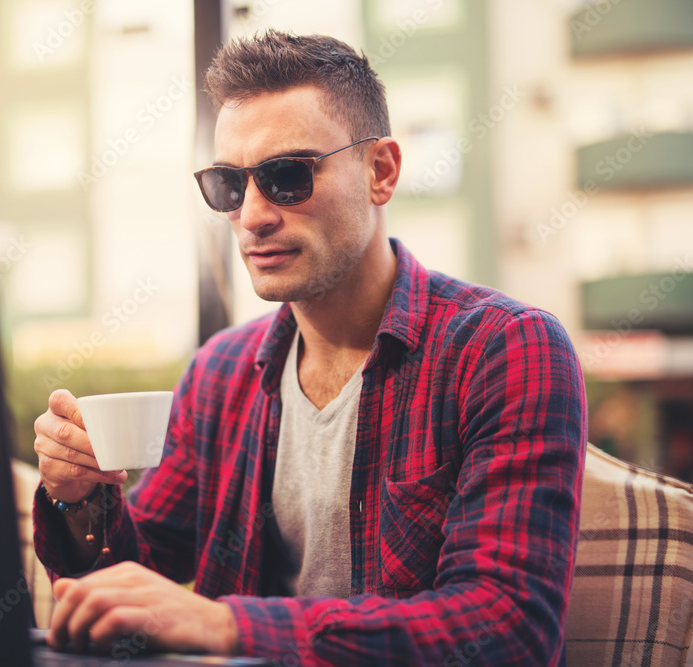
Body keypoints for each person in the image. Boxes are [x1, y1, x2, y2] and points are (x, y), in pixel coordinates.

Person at [33, 30, 587, 665]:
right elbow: (138, 582)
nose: (253, 215)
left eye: (287, 175)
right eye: (228, 185)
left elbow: (507, 627)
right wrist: (79, 499)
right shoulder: (220, 373)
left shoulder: (505, 351)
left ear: (380, 171)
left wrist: (230, 628)